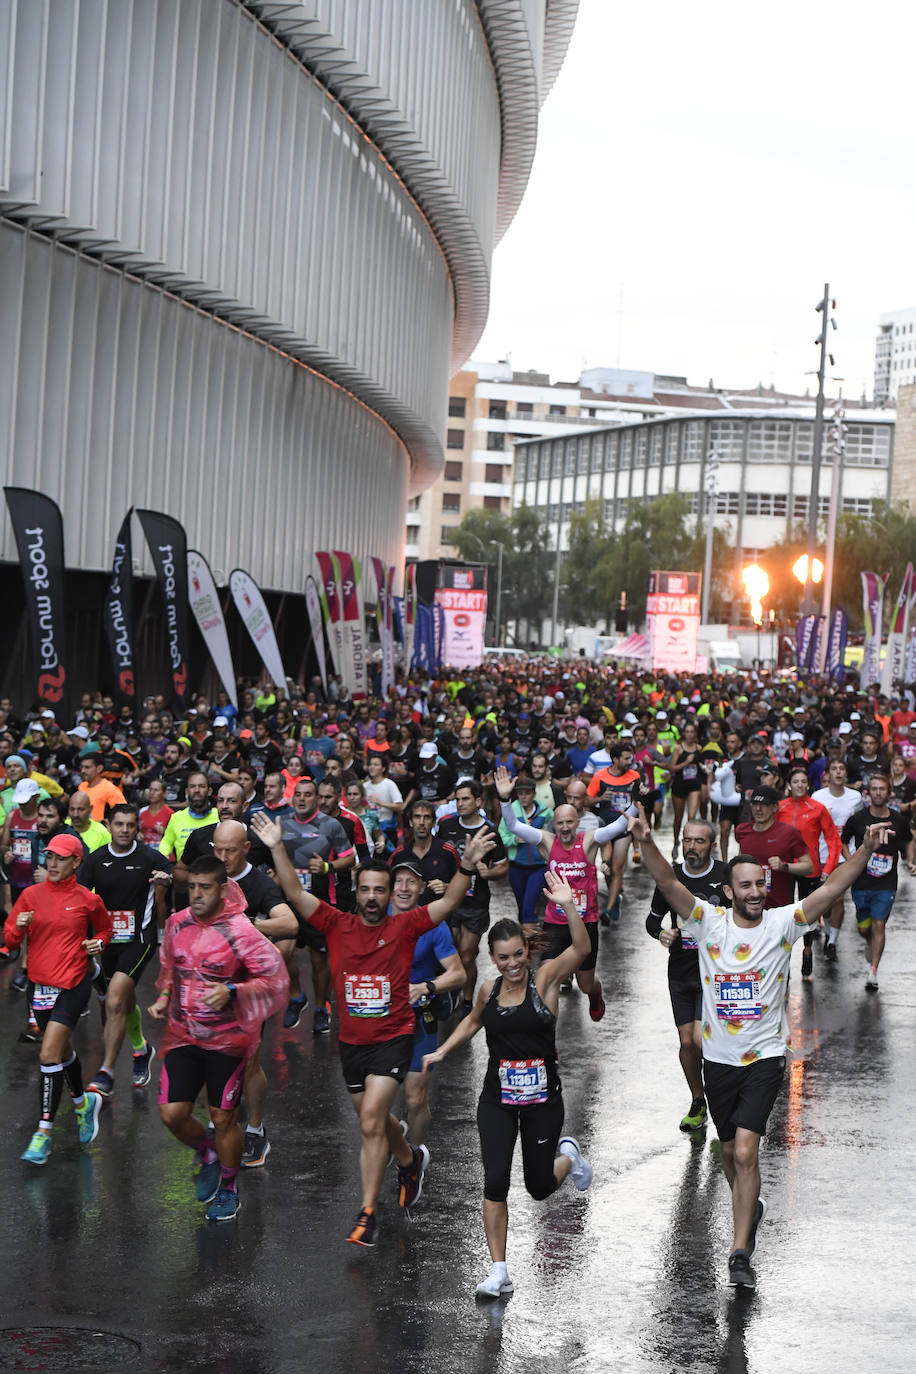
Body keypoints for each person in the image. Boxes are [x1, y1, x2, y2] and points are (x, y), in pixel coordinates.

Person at [631, 803, 892, 1290]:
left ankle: (739, 1253)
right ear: (729, 892)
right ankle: (750, 1207)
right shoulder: (708, 922)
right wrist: (646, 841)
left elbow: (833, 886)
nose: (755, 893)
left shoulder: (782, 923)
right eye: (745, 886)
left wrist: (866, 850)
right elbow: (668, 884)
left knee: (747, 1152)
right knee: (729, 1152)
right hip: (719, 1061)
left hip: (765, 1059)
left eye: (760, 886)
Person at [251, 809, 496, 1247]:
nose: (371, 897)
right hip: (352, 1044)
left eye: (379, 891)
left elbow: (448, 903)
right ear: (355, 893)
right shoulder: (335, 924)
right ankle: (409, 1161)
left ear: (388, 896)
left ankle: (366, 1213)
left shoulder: (406, 926)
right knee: (378, 1121)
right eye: (364, 889)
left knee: (369, 1121)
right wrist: (275, 847)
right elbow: (291, 890)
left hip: (394, 1039)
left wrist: (467, 863)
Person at [422, 870, 594, 1300]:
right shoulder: (488, 990)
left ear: (525, 952)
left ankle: (567, 1158)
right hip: (497, 1100)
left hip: (541, 1104)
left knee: (538, 1187)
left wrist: (569, 904)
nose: (512, 964)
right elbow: (473, 1022)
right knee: (495, 1179)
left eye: (517, 955)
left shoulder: (545, 979)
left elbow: (583, 947)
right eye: (503, 958)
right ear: (492, 958)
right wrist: (443, 1050)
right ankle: (499, 1271)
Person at [148, 857, 288, 1221]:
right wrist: (163, 999)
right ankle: (208, 1153)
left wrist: (232, 990)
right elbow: (168, 967)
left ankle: (229, 1187)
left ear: (222, 889)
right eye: (191, 887)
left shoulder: (241, 931)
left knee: (222, 1118)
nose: (196, 894)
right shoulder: (177, 924)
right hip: (184, 1036)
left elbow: (275, 981)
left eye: (204, 887)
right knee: (171, 1114)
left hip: (227, 1041)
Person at [3, 832, 111, 1165]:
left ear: (77, 862)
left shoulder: (87, 900)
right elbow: (9, 937)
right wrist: (18, 927)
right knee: (63, 1051)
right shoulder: (31, 895)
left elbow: (105, 930)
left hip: (72, 985)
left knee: (48, 1054)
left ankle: (43, 1133)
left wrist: (99, 944)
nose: (52, 863)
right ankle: (83, 1105)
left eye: (60, 858)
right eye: (49, 857)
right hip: (40, 986)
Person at [211, 820, 309, 1167]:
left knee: (248, 1061)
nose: (222, 857)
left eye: (229, 851)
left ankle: (255, 1129)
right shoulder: (207, 874)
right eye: (217, 850)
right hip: (210, 985)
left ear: (245, 849)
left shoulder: (258, 884)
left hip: (248, 988)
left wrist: (252, 925)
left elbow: (290, 924)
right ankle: (221, 1121)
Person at [496, 766, 629, 1020]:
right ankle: (548, 1039)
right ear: (554, 825)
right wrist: (504, 799)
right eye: (560, 823)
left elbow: (618, 827)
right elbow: (512, 825)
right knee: (549, 976)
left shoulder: (589, 840)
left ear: (577, 823)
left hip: (584, 922)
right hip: (555, 922)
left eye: (569, 822)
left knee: (585, 983)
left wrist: (637, 803)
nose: (565, 828)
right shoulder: (546, 840)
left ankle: (595, 992)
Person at [79, 804, 173, 1097]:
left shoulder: (148, 857)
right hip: (108, 941)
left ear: (136, 828)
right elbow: (80, 897)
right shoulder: (96, 860)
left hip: (139, 939)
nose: (124, 830)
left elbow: (171, 872)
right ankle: (141, 1049)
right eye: (119, 824)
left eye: (131, 825)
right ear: (109, 825)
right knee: (124, 998)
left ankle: (106, 1072)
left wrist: (166, 879)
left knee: (115, 998)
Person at [646, 818, 728, 1132]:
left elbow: (745, 918)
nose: (692, 847)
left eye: (699, 841)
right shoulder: (672, 877)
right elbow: (652, 921)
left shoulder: (724, 876)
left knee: (701, 1039)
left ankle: (721, 1096)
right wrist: (662, 935)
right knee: (687, 1042)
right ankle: (698, 1100)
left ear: (712, 845)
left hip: (715, 972)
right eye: (687, 841)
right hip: (680, 969)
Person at [389, 858, 464, 1145]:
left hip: (420, 1020)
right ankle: (397, 1138)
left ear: (421, 888)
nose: (404, 888)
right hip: (380, 1021)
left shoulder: (433, 925)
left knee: (415, 1097)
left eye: (411, 882)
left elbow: (458, 974)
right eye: (398, 881)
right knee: (374, 1100)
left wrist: (426, 986)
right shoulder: (373, 918)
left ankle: (414, 1158)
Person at [436, 780, 509, 1013]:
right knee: (453, 952)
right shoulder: (445, 826)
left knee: (467, 955)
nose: (459, 803)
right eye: (457, 799)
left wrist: (490, 873)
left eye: (465, 799)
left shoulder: (489, 831)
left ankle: (467, 1001)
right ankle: (454, 989)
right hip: (448, 900)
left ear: (478, 801)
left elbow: (503, 867)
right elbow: (436, 856)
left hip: (475, 902)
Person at [841, 773, 915, 991]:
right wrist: (851, 861)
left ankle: (873, 971)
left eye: (882, 789)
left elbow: (910, 840)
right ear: (868, 792)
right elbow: (843, 842)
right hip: (861, 883)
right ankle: (868, 942)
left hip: (886, 884)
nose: (878, 793)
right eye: (874, 789)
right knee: (865, 928)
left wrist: (910, 860)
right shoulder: (857, 819)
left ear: (889, 792)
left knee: (879, 924)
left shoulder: (898, 820)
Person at [776, 768, 842, 979]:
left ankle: (807, 948)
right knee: (782, 911)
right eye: (795, 781)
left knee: (808, 912)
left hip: (810, 869)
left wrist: (828, 868)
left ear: (808, 785)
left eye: (803, 781)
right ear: (789, 784)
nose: (799, 785)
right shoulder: (779, 807)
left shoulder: (817, 808)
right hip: (784, 868)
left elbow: (833, 839)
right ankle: (780, 952)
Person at [811, 759, 864, 960]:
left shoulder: (855, 797)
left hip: (844, 855)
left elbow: (860, 824)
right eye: (834, 769)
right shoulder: (818, 797)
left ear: (846, 774)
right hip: (822, 855)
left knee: (839, 897)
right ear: (828, 774)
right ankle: (825, 928)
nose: (838, 772)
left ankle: (832, 941)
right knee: (825, 900)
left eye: (842, 768)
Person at [734, 787, 812, 909]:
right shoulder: (742, 830)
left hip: (779, 907)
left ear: (775, 808)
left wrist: (784, 866)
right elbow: (740, 861)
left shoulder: (789, 832)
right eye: (755, 804)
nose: (758, 809)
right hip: (748, 906)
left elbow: (809, 867)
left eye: (764, 804)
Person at [498, 775, 549, 929]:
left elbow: (555, 834)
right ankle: (524, 943)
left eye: (527, 793)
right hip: (516, 867)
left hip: (539, 866)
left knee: (528, 907)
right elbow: (502, 835)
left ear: (534, 793)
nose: (524, 796)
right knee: (521, 907)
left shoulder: (546, 812)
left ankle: (532, 947)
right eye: (520, 793)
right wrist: (514, 840)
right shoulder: (510, 810)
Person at [77, 750, 127, 820]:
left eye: (87, 767)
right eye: (81, 767)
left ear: (99, 768)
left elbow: (124, 814)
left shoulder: (110, 790)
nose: (83, 771)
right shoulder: (81, 786)